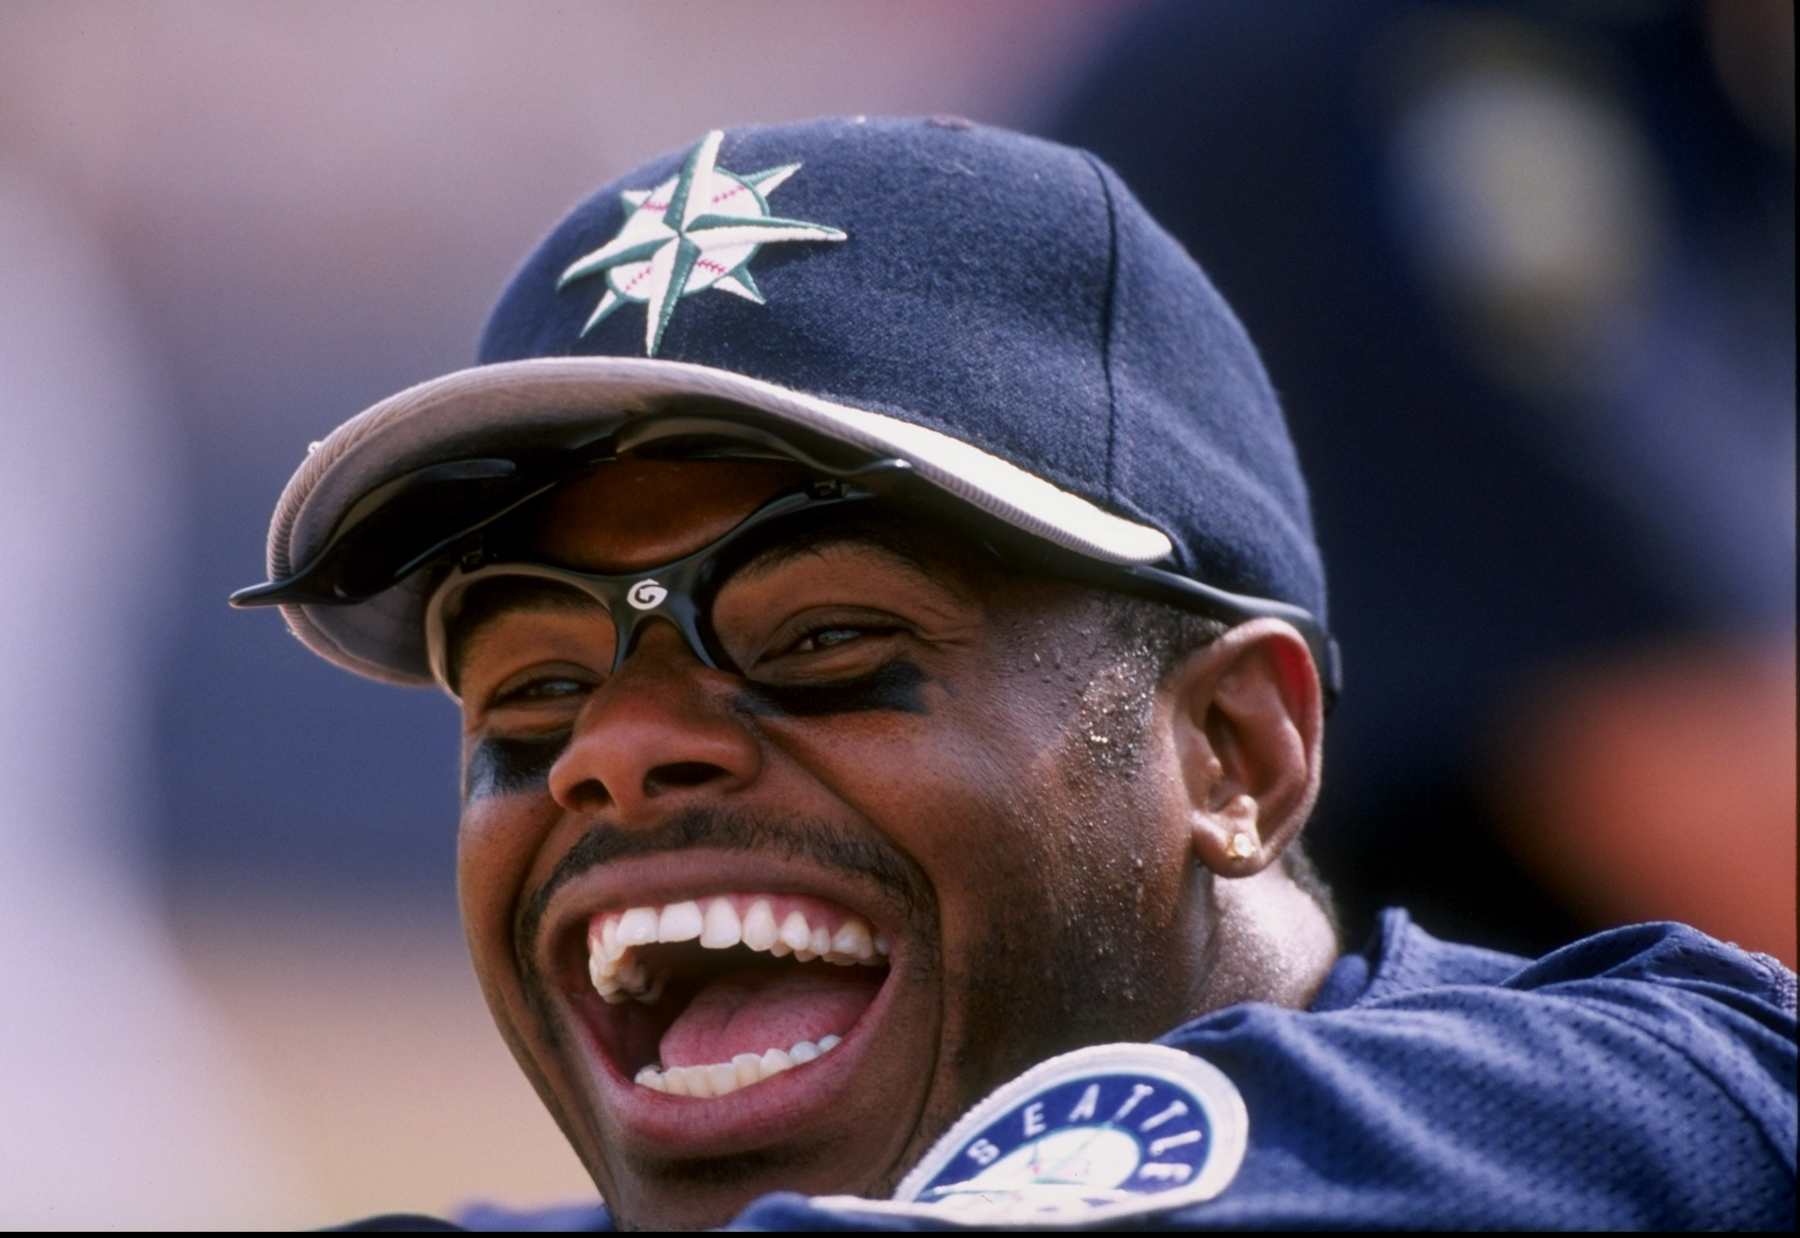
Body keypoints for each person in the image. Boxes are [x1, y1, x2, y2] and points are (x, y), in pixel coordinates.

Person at [232, 118, 1795, 1231]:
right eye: (531, 697)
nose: (618, 748)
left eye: (821, 639)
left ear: (1234, 751)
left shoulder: (1639, 1113)